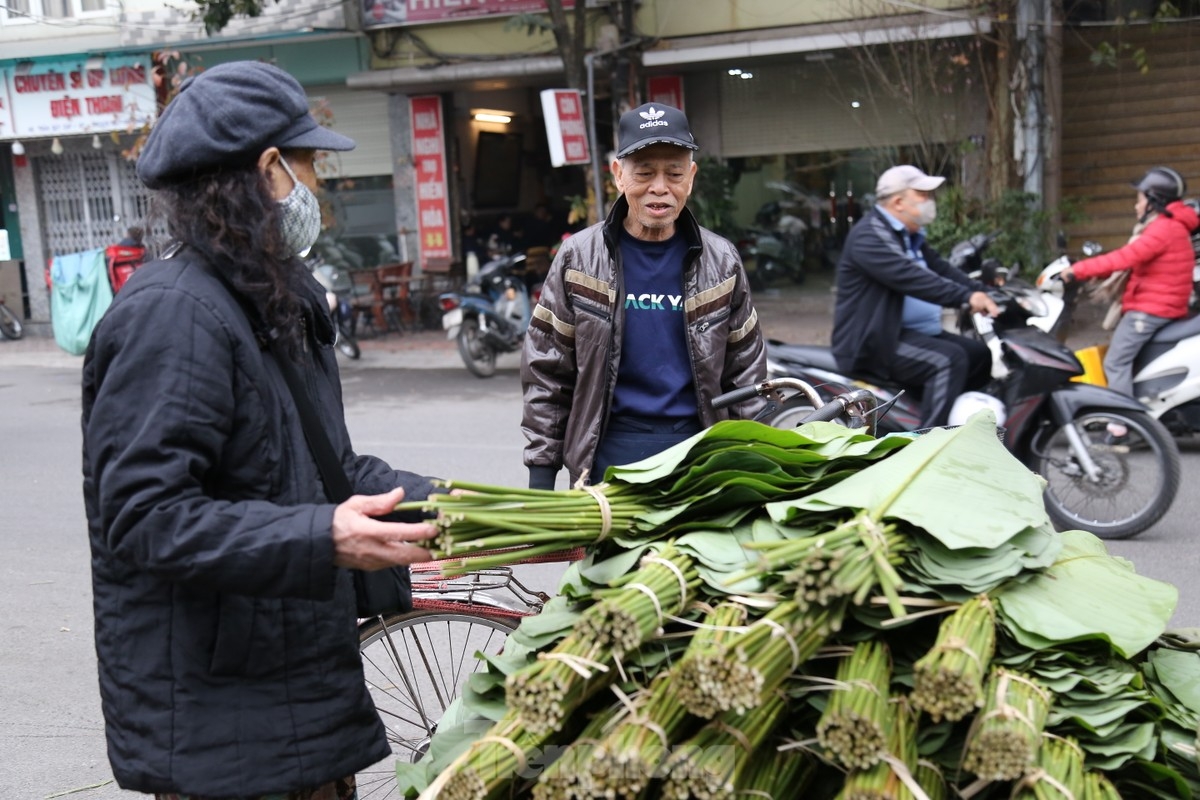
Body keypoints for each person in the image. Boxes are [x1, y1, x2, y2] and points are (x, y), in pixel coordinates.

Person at [81, 61, 438, 799]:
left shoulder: (269, 298)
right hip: (227, 728)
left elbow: (329, 470)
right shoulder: (176, 314)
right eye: (311, 162)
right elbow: (145, 518)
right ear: (271, 170)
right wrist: (323, 539)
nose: (322, 185)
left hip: (295, 698)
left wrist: (464, 507)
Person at [521, 101, 767, 489]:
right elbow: (548, 372)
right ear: (618, 175)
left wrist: (754, 463)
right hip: (606, 458)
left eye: (674, 173)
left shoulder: (723, 262)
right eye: (645, 172)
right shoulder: (578, 258)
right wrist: (541, 477)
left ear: (691, 177)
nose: (660, 187)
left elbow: (746, 375)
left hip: (699, 456)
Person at [831, 165, 999, 429]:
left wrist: (985, 292)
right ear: (898, 202)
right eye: (923, 195)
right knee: (948, 360)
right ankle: (927, 443)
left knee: (979, 354)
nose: (931, 201)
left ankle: (960, 423)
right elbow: (913, 278)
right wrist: (967, 298)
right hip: (875, 340)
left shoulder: (909, 235)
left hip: (910, 332)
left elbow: (942, 270)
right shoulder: (870, 235)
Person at [1061, 166, 1199, 397]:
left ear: (1154, 201)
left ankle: (1121, 422)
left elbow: (1125, 257)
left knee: (1115, 363)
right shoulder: (1173, 226)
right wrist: (1098, 272)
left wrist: (1078, 270)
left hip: (1149, 311)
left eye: (1140, 199)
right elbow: (1137, 262)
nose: (1136, 206)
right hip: (1165, 306)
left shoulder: (1162, 229)